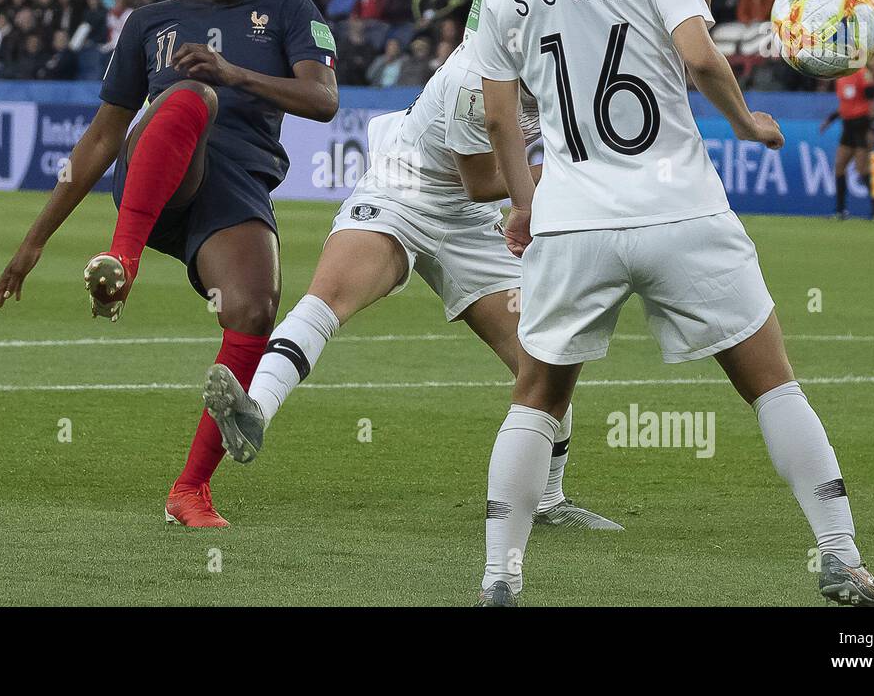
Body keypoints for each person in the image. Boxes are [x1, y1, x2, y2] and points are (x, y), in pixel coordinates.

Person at [465, 0, 874, 607]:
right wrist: (747, 123)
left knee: (537, 395)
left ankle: (499, 578)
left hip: (575, 216)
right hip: (681, 208)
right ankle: (840, 556)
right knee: (771, 380)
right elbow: (700, 58)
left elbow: (497, 117)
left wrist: (523, 204)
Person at [0, 0, 339, 528]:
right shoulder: (151, 22)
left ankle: (190, 491)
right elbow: (98, 140)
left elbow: (323, 99)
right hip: (161, 171)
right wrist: (32, 243)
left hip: (233, 189)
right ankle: (124, 265)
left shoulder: (288, 11)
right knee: (190, 96)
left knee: (254, 311)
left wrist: (236, 72)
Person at [201, 37, 622, 531]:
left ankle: (548, 500)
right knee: (328, 298)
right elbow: (481, 180)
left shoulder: (563, 55)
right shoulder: (475, 78)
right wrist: (574, 173)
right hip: (405, 187)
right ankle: (255, 411)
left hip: (470, 220)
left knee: (544, 354)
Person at [820, 62, 874, 219]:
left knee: (862, 169)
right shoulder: (841, 77)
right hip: (847, 126)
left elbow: (871, 101)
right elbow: (845, 105)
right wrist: (830, 119)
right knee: (840, 166)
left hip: (861, 125)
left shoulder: (863, 73)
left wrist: (873, 129)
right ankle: (840, 210)